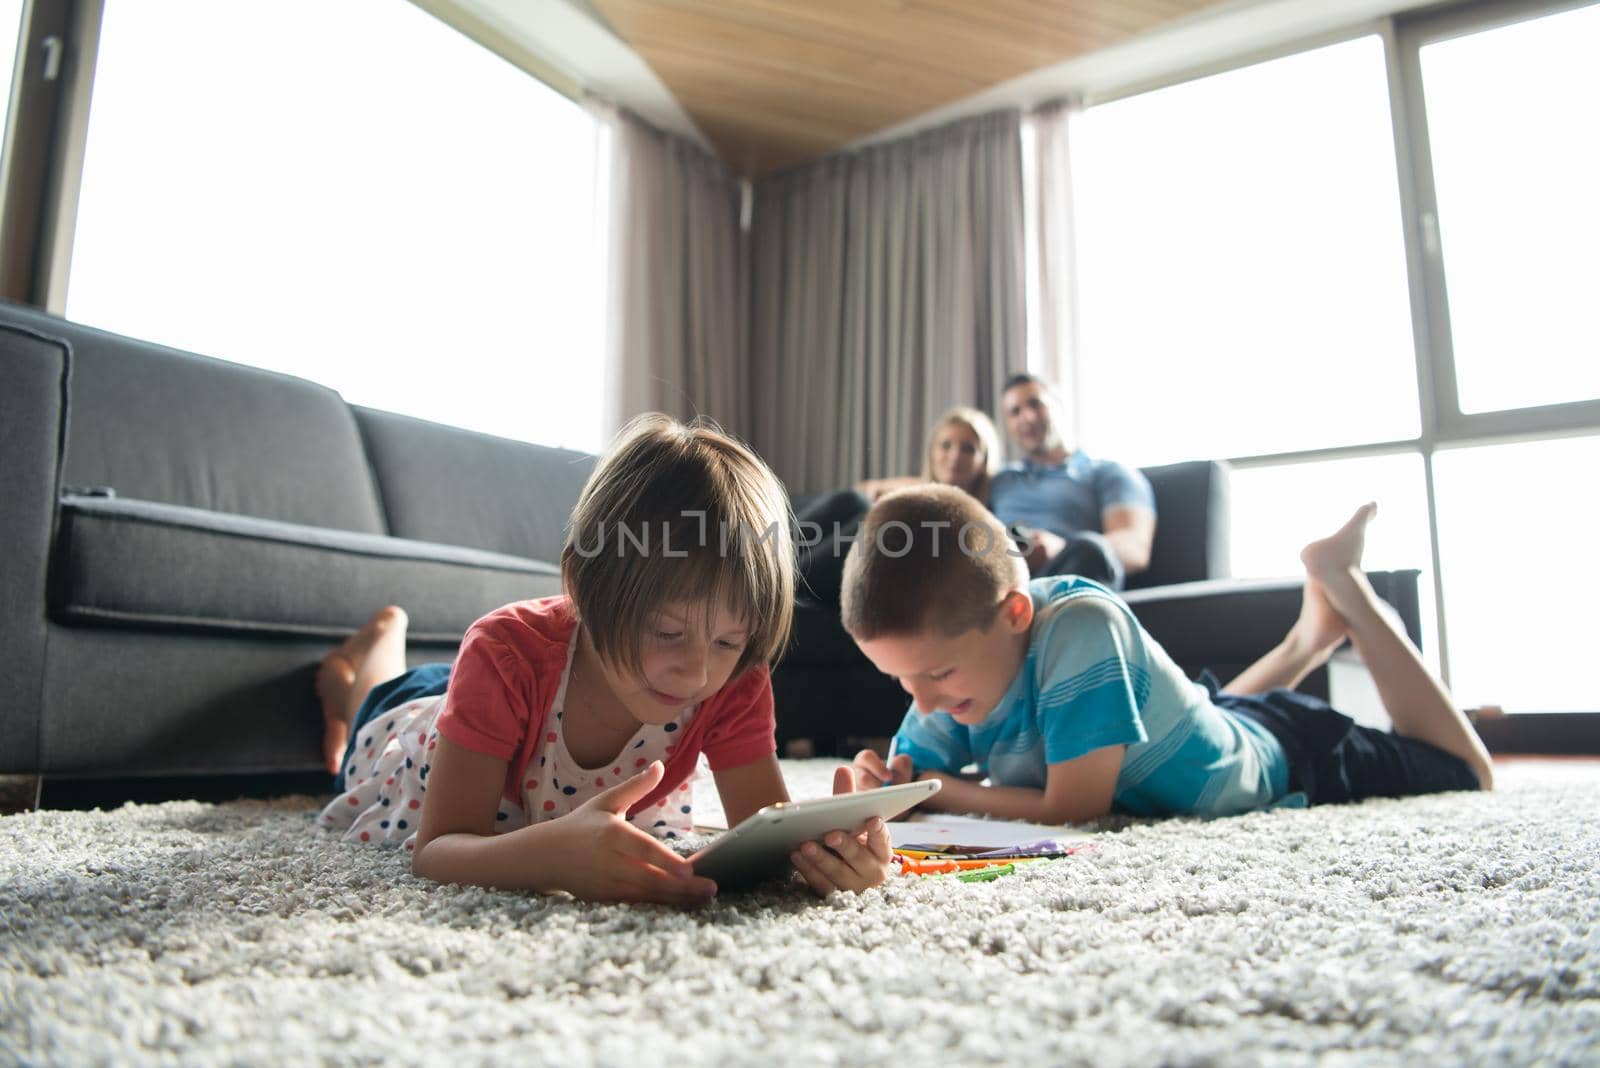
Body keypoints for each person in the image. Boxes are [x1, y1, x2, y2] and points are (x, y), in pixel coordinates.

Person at [315, 414, 894, 903]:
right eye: (667, 632)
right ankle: (376, 651)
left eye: (726, 641)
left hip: (489, 705)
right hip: (416, 729)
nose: (698, 674)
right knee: (375, 700)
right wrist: (548, 856)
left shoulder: (734, 679)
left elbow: (762, 833)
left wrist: (828, 857)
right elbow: (436, 852)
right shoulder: (501, 652)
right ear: (582, 588)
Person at [839, 485, 1493, 824]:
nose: (921, 700)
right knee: (1220, 710)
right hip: (1200, 725)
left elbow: (1073, 809)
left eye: (935, 674)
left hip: (1285, 759)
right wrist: (884, 785)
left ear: (1015, 616)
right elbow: (911, 776)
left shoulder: (1083, 632)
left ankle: (1345, 582)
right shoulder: (947, 672)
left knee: (1468, 770)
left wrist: (940, 793)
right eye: (900, 681)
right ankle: (1309, 638)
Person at [797, 406, 1002, 605]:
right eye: (946, 445)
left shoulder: (982, 512)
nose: (955, 456)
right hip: (859, 559)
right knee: (854, 500)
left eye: (968, 449)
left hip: (889, 573)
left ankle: (790, 579)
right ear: (932, 452)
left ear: (984, 460)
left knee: (882, 523)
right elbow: (866, 488)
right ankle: (770, 563)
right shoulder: (917, 487)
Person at [990, 373, 1155, 591]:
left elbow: (1134, 549)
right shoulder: (1000, 480)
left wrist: (1061, 548)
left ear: (1058, 406)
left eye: (1035, 404)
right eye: (1015, 412)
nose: (1027, 418)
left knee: (1091, 550)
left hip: (1068, 579)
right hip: (1001, 588)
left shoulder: (1108, 473)